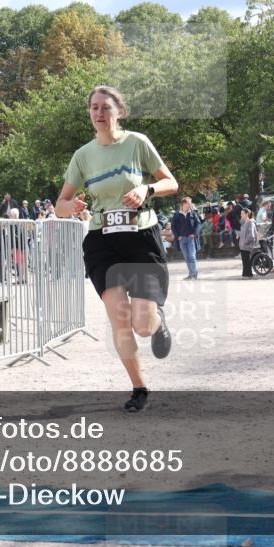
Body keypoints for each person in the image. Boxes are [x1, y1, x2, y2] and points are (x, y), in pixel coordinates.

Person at [55, 85, 177, 413]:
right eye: (94, 108)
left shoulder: (137, 143)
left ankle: (157, 322)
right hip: (102, 241)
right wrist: (70, 206)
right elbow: (60, 204)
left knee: (142, 324)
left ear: (118, 112)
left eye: (105, 108)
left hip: (140, 238)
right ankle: (139, 388)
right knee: (119, 319)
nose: (99, 114)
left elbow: (171, 182)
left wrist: (147, 188)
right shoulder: (83, 155)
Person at [171, 197, 201, 280]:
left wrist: (194, 234)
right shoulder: (177, 214)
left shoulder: (193, 213)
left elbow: (198, 224)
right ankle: (190, 274)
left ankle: (194, 274)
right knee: (187, 257)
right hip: (182, 239)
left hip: (191, 238)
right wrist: (178, 236)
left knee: (192, 256)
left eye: (190, 203)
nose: (190, 205)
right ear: (183, 204)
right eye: (188, 203)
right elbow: (173, 226)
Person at [238, 208, 258, 279]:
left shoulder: (250, 222)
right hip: (243, 245)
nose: (241, 215)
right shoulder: (244, 222)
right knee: (244, 261)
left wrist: (245, 242)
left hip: (247, 246)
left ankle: (248, 275)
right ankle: (245, 275)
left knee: (246, 261)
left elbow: (251, 235)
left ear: (247, 214)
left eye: (242, 213)